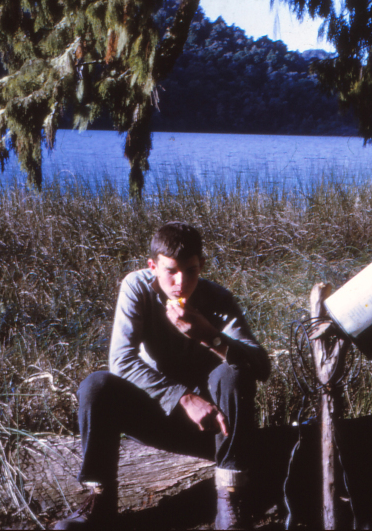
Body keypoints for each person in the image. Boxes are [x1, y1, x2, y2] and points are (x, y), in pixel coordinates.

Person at [55, 222, 271, 530]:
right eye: (171, 270)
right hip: (157, 415)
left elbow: (261, 367)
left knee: (232, 374)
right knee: (96, 385)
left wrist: (210, 336)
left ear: (202, 266)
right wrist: (183, 397)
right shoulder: (137, 287)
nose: (180, 281)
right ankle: (99, 501)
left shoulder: (217, 300)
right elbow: (121, 361)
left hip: (215, 427)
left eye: (191, 270)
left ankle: (231, 500)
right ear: (153, 266)